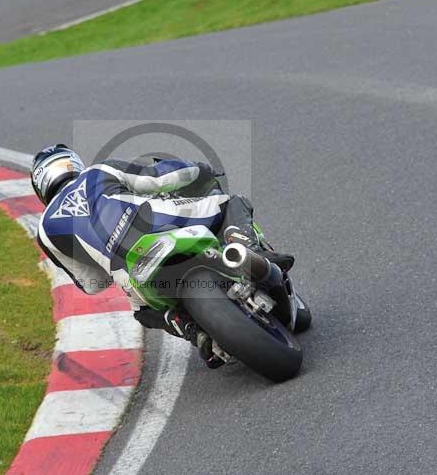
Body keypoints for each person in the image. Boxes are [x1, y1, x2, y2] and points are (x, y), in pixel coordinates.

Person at [32, 144, 294, 368]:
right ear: (72, 163)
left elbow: (91, 284)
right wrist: (200, 170)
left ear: (41, 187)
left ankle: (194, 331)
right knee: (230, 202)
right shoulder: (97, 172)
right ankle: (246, 247)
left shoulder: (44, 231)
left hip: (129, 268)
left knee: (142, 311)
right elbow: (158, 178)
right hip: (162, 224)